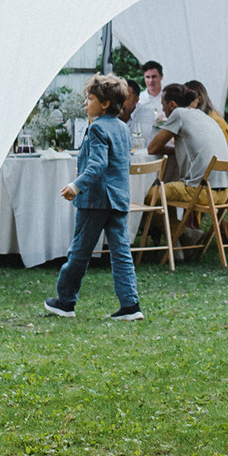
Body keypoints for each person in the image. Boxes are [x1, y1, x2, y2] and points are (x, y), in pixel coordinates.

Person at [44, 74, 144, 321]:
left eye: (90, 99)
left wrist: (76, 186)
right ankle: (130, 305)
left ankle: (65, 302)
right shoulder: (122, 127)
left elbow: (98, 165)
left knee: (79, 252)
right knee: (121, 253)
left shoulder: (97, 127)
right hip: (118, 199)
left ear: (105, 103)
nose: (85, 103)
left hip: (96, 201)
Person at [146, 82, 228, 236]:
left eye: (163, 105)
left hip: (201, 192)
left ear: (172, 104)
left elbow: (152, 148)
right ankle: (178, 243)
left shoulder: (178, 113)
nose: (163, 110)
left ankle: (184, 235)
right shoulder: (202, 114)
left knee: (149, 196)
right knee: (167, 192)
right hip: (223, 192)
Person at [184, 79, 228, 153]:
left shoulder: (208, 120)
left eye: (187, 99)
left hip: (217, 162)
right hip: (224, 161)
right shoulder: (214, 115)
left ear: (199, 99)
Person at [136, 61, 169, 131]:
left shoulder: (170, 96)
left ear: (161, 76)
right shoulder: (139, 99)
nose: (150, 81)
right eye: (147, 77)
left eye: (154, 77)